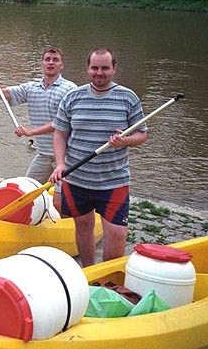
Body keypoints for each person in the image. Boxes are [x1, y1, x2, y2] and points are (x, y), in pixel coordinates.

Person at [50, 48, 147, 267]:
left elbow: (142, 134)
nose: (99, 72)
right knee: (83, 226)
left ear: (114, 68)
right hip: (77, 179)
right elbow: (60, 133)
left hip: (114, 181)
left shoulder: (128, 97)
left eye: (104, 68)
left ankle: (106, 277)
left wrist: (126, 141)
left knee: (117, 232)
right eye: (94, 68)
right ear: (88, 69)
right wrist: (60, 163)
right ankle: (89, 272)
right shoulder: (73, 97)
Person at [0, 47, 77, 209]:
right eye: (47, 59)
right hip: (43, 154)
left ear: (62, 65)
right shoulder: (31, 88)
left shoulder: (70, 90)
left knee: (60, 202)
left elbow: (62, 123)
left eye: (55, 60)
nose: (51, 63)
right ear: (42, 63)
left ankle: (73, 228)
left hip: (66, 157)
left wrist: (31, 132)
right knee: (26, 195)